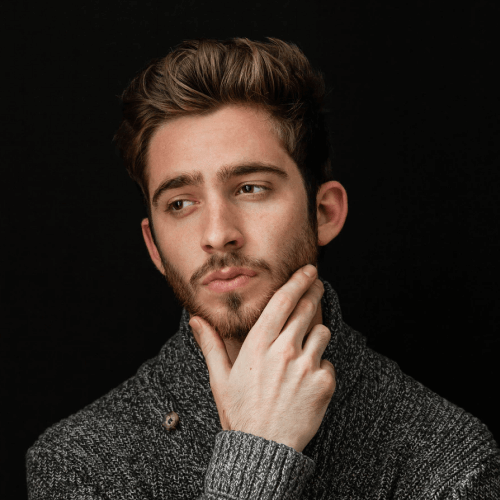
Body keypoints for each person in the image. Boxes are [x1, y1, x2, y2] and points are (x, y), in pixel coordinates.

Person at [26, 37, 499, 499]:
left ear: (324, 213)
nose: (217, 234)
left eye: (250, 188)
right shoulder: (79, 465)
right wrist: (257, 459)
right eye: (181, 203)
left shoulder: (450, 462)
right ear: (154, 246)